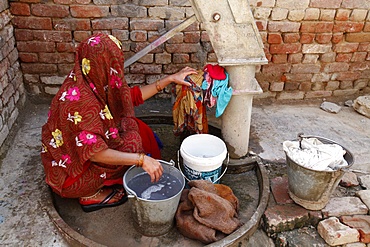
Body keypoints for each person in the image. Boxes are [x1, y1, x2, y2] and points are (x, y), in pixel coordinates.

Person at [41, 33, 197, 212]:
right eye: (113, 64)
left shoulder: (87, 78)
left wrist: (169, 79)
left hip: (79, 148)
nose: (117, 70)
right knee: (133, 146)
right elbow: (94, 153)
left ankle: (127, 167)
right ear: (102, 64)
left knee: (136, 129)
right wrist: (141, 160)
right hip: (71, 174)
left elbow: (125, 99)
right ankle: (91, 195)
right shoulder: (79, 103)